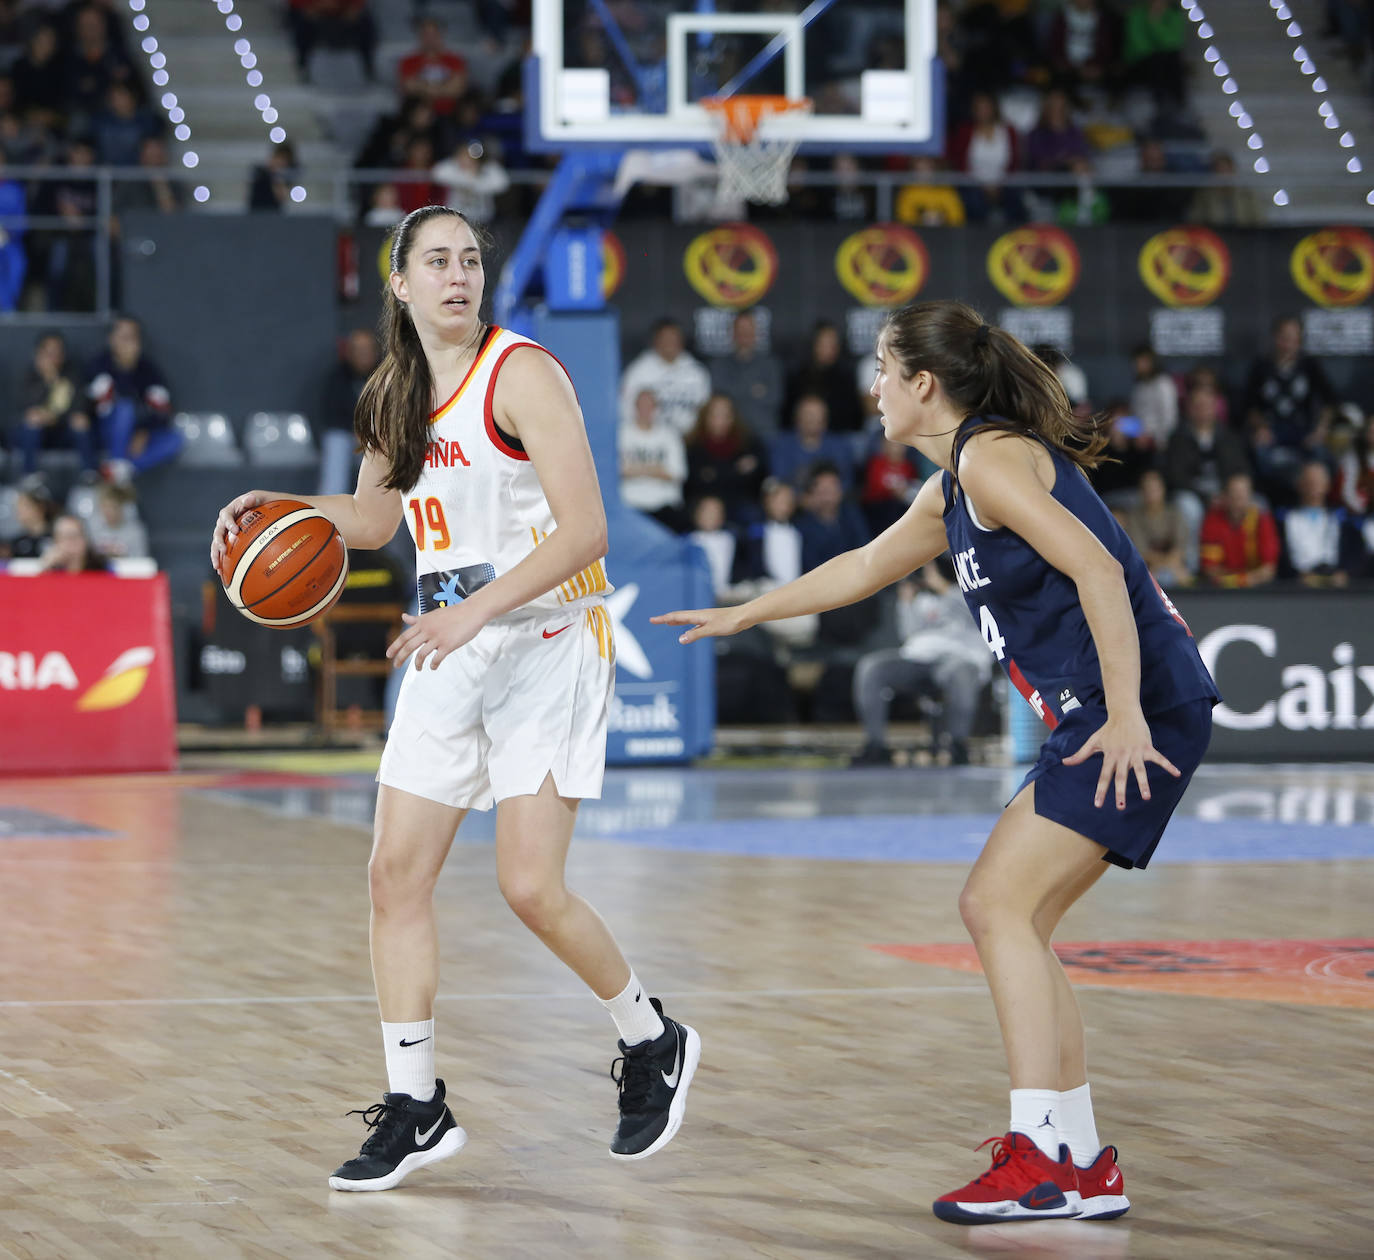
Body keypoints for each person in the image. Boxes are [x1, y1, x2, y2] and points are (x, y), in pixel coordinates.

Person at [654, 299, 1218, 1226]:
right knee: (1015, 916)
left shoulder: (993, 461)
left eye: (882, 367)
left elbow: (1103, 571)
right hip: (1111, 709)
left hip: (1135, 709)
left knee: (995, 905)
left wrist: (1122, 716)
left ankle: (1045, 1161)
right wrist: (741, 614)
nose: (870, 385)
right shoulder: (954, 483)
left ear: (924, 384)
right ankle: (1076, 1160)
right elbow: (863, 567)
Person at [209, 206, 699, 1192]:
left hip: (549, 640)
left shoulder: (522, 374)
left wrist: (476, 611)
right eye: (436, 260)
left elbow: (587, 530)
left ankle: (652, 1039)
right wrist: (280, 512)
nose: (458, 274)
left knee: (530, 888)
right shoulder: (392, 393)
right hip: (449, 642)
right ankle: (415, 1105)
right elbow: (376, 517)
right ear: (400, 283)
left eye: (470, 259)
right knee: (394, 876)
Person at [851, 557, 993, 767]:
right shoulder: (923, 600)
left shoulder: (969, 592)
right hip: (918, 659)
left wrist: (945, 587)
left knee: (961, 673)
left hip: (958, 658)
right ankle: (875, 746)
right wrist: (906, 603)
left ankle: (957, 746)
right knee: (871, 667)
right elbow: (908, 634)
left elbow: (978, 615)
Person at [84, 313, 179, 478]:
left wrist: (144, 431)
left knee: (175, 439)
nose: (128, 342)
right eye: (123, 336)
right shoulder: (98, 366)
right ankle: (118, 464)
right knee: (124, 407)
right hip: (106, 432)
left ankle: (120, 470)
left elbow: (162, 408)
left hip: (138, 434)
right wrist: (125, 367)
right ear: (112, 338)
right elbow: (95, 406)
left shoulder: (148, 370)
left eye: (132, 337)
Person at [15, 331, 96, 476]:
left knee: (81, 422)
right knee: (31, 423)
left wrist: (55, 380)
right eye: (49, 352)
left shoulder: (72, 374)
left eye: (57, 352)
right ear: (38, 354)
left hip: (63, 431)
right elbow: (26, 409)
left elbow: (79, 407)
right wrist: (46, 381)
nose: (53, 357)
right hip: (37, 434)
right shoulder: (28, 376)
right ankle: (29, 476)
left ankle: (89, 476)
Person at [618, 317, 712, 435]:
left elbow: (706, 412)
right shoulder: (638, 370)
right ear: (655, 341)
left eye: (674, 338)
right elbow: (626, 409)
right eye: (665, 338)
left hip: (691, 440)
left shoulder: (697, 371)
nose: (670, 343)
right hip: (652, 439)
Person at [618, 387, 687, 532]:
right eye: (641, 406)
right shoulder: (621, 434)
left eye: (650, 406)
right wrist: (656, 469)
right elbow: (616, 471)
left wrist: (636, 469)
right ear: (634, 407)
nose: (646, 410)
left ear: (657, 408)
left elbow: (677, 474)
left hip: (664, 507)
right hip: (630, 505)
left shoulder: (669, 435)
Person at [708, 309, 784, 442]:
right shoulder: (718, 364)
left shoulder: (771, 365)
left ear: (756, 333)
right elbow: (719, 399)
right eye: (740, 329)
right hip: (729, 434)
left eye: (748, 329)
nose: (744, 334)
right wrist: (755, 390)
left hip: (764, 432)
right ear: (732, 333)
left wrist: (735, 390)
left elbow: (775, 398)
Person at [1198, 471, 1279, 588]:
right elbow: (1210, 569)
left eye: (1243, 493)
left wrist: (1245, 580)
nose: (1238, 498)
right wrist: (1238, 581)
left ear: (1250, 496)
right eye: (1234, 493)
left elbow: (1268, 569)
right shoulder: (1213, 520)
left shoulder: (1263, 520)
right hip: (1222, 590)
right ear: (1225, 496)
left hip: (1258, 588)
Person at [88, 480, 149, 561]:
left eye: (113, 507)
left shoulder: (135, 531)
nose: (108, 511)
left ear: (122, 507)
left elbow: (141, 561)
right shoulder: (92, 527)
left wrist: (122, 556)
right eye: (104, 506)